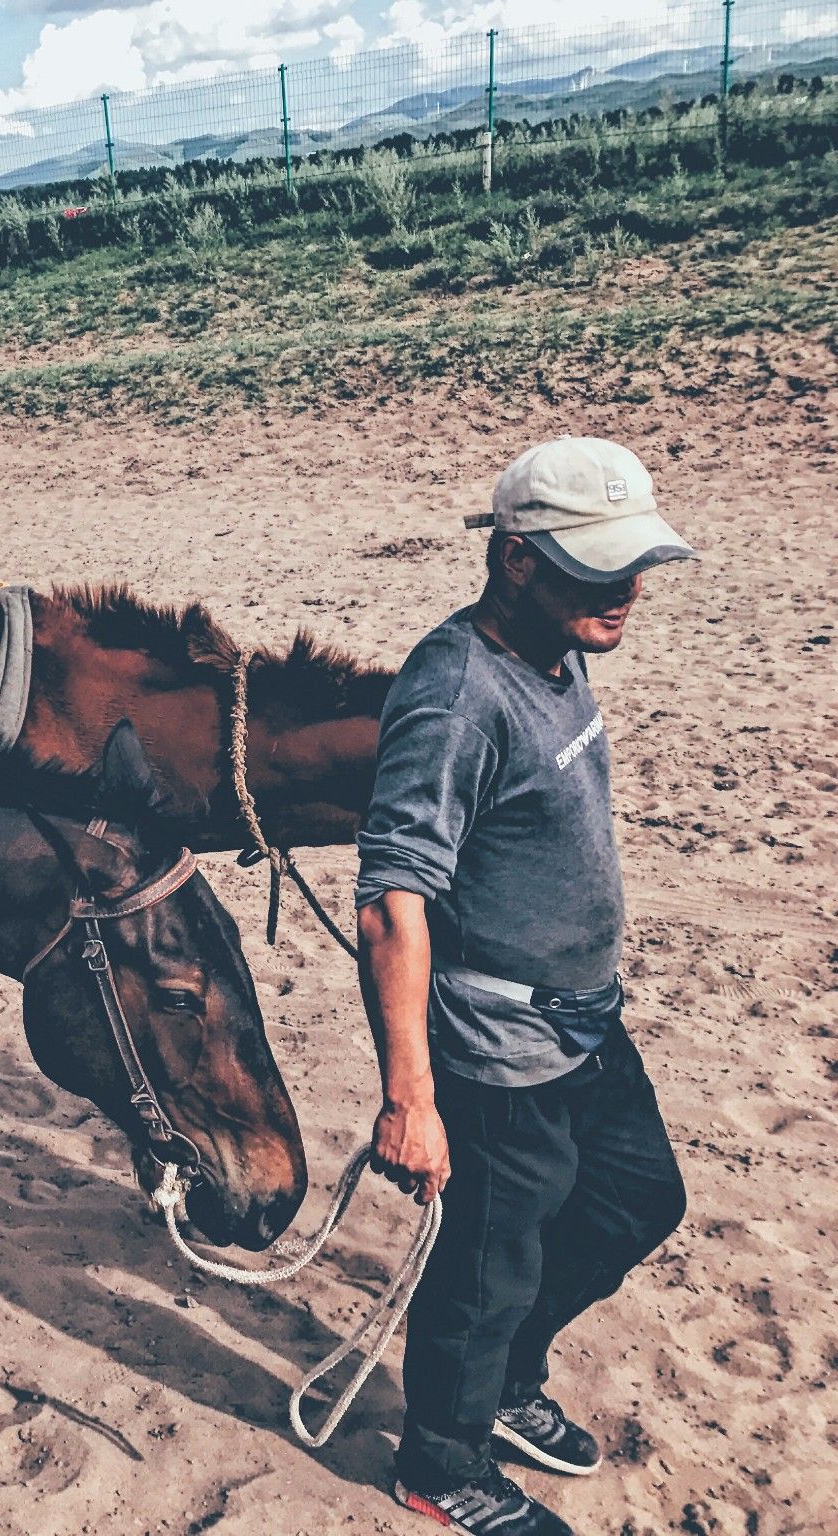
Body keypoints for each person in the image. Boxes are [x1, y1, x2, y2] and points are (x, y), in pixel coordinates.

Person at [356, 437, 696, 1534]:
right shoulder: (457, 693)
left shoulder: (557, 646)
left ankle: (500, 1380)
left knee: (637, 1199)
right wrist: (409, 1098)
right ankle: (438, 1463)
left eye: (630, 564)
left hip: (585, 1017)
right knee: (484, 1267)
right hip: (498, 1047)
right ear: (512, 559)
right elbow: (391, 898)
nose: (625, 592)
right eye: (596, 569)